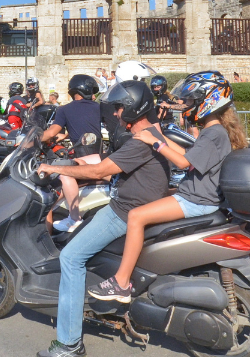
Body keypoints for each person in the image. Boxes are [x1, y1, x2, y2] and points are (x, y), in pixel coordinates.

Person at [33, 81, 170, 357]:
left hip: (122, 210)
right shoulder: (153, 133)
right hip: (133, 202)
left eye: (119, 108)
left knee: (70, 257)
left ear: (132, 108)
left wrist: (52, 167)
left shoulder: (141, 139)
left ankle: (69, 343)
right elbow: (109, 168)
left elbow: (100, 172)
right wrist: (82, 164)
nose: (116, 114)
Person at [88, 74, 246, 305]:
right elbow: (188, 156)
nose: (186, 106)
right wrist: (157, 135)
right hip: (196, 194)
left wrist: (156, 143)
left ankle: (121, 283)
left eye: (191, 102)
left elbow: (182, 163)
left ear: (207, 101)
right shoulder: (214, 130)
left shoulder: (214, 133)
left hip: (197, 199)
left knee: (136, 216)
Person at [40, 74, 106, 232]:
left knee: (49, 193)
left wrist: (31, 139)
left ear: (73, 90)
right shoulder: (99, 107)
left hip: (82, 159)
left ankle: (73, 219)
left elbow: (51, 133)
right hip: (99, 157)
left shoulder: (64, 109)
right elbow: (87, 127)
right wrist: (66, 135)